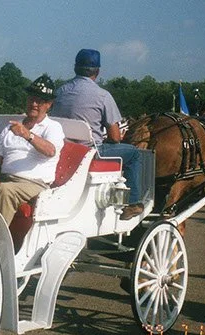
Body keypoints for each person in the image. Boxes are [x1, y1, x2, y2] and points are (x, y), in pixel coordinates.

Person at [50, 49, 143, 220]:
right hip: (90, 153)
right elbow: (115, 137)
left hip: (63, 150)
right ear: (97, 71)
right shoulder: (103, 95)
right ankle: (134, 203)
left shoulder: (60, 91)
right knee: (134, 153)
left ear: (75, 68)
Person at [0, 75, 65, 225]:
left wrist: (27, 134)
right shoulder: (11, 127)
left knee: (5, 190)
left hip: (34, 184)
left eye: (40, 101)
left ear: (49, 104)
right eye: (31, 99)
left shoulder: (53, 127)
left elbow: (50, 151)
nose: (34, 103)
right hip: (4, 179)